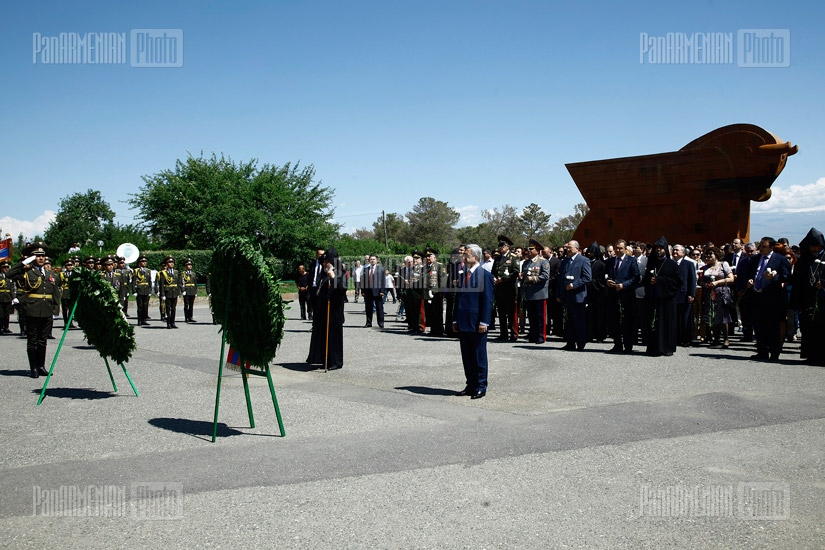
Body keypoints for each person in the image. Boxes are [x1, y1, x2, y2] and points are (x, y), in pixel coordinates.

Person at [7, 242, 61, 378]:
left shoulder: (51, 273)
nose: (41, 258)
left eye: (43, 255)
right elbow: (9, 274)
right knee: (33, 340)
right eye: (37, 256)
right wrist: (24, 263)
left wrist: (55, 310)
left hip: (47, 310)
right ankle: (33, 368)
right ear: (32, 257)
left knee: (43, 340)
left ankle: (41, 366)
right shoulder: (27, 272)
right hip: (32, 310)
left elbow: (55, 294)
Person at [452, 244, 494, 399]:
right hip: (463, 321)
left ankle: (481, 386)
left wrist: (484, 322)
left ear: (476, 257)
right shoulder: (464, 275)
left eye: (467, 255)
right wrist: (455, 319)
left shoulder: (485, 275)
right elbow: (459, 299)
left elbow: (487, 301)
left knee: (479, 356)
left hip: (477, 322)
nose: (464, 257)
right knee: (467, 356)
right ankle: (470, 384)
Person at [745, 237, 791, 361]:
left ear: (771, 247)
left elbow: (787, 277)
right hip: (757, 295)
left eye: (764, 246)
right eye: (760, 246)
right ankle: (762, 351)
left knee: (772, 326)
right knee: (759, 325)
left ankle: (774, 352)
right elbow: (749, 274)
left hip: (772, 298)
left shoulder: (780, 259)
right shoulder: (755, 259)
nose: (761, 248)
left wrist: (774, 278)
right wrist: (749, 281)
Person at [306, 247, 347, 370]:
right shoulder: (323, 273)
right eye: (323, 262)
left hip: (334, 310)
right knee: (323, 335)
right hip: (323, 310)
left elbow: (342, 288)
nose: (324, 263)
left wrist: (334, 277)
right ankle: (324, 358)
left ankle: (335, 361)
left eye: (326, 261)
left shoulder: (340, 272)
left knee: (334, 336)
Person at [790, 227, 825, 365]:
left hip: (822, 301)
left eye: (816, 245)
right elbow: (796, 283)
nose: (814, 248)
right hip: (806, 301)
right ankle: (811, 355)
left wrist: (823, 284)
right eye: (811, 246)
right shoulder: (803, 262)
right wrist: (795, 303)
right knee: (808, 328)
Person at [642, 237, 682, 357]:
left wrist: (660, 280)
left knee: (667, 323)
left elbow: (677, 282)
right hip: (653, 298)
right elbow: (646, 280)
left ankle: (667, 347)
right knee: (654, 323)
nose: (659, 250)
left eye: (661, 248)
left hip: (667, 300)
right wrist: (650, 282)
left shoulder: (672, 264)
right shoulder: (651, 263)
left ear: (665, 250)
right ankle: (653, 348)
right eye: (657, 248)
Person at [606, 239, 640, 353]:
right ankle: (617, 344)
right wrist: (607, 281)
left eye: (620, 248)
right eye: (616, 248)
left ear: (625, 249)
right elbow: (605, 275)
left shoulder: (631, 260)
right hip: (613, 295)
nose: (617, 250)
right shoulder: (610, 261)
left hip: (626, 296)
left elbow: (636, 277)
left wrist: (624, 285)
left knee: (627, 322)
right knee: (614, 320)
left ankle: (628, 345)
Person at [557, 240, 592, 351]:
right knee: (568, 321)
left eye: (570, 247)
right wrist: (559, 293)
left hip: (578, 296)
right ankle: (570, 342)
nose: (568, 249)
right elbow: (560, 279)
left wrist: (574, 285)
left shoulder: (584, 260)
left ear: (577, 249)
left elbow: (587, 277)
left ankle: (580, 343)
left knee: (579, 321)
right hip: (567, 296)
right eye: (567, 247)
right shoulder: (564, 261)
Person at [698, 247, 734, 348]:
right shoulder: (705, 267)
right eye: (707, 255)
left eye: (711, 254)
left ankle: (726, 338)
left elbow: (731, 279)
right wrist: (704, 284)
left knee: (723, 316)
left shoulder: (723, 264)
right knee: (712, 316)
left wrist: (717, 282)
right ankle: (715, 338)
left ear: (716, 255)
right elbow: (700, 281)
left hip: (721, 293)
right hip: (709, 294)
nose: (709, 256)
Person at [521, 239, 550, 344]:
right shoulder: (526, 262)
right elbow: (524, 275)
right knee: (532, 316)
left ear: (537, 250)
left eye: (531, 249)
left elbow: (546, 276)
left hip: (539, 293)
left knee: (540, 317)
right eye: (528, 249)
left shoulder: (543, 262)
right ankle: (533, 335)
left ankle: (541, 336)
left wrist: (533, 279)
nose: (528, 251)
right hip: (529, 293)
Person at [493, 235, 519, 342]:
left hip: (509, 289)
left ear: (507, 247)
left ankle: (513, 334)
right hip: (499, 290)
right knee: (502, 313)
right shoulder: (498, 258)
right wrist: (494, 278)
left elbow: (515, 272)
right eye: (499, 246)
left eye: (502, 246)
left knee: (511, 313)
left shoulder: (513, 257)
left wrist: (503, 279)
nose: (500, 248)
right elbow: (494, 271)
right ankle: (503, 334)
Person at [672, 244, 697, 347]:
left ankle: (687, 339)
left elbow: (692, 280)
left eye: (677, 250)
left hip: (684, 294)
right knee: (675, 318)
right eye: (673, 250)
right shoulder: (670, 263)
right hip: (672, 295)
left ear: (683, 253)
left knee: (685, 318)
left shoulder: (688, 264)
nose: (675, 252)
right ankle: (676, 338)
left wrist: (691, 294)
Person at [584, 241, 607, 343]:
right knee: (588, 314)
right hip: (587, 292)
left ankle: (599, 335)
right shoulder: (585, 262)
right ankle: (589, 334)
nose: (589, 254)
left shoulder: (601, 264)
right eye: (589, 252)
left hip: (598, 293)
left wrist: (592, 282)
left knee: (599, 315)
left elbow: (602, 280)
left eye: (592, 252)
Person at [423, 248, 446, 336]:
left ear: (435, 257)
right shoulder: (425, 267)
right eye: (427, 256)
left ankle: (439, 330)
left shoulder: (439, 266)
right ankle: (433, 330)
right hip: (427, 293)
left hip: (436, 294)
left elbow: (442, 280)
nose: (428, 258)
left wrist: (441, 292)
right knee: (430, 312)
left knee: (437, 312)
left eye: (430, 256)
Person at [361, 254, 386, 329]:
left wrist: (382, 291)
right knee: (368, 308)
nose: (372, 260)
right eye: (371, 259)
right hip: (368, 291)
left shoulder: (381, 269)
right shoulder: (366, 269)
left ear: (377, 260)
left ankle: (380, 323)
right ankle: (368, 322)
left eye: (373, 259)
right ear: (369, 260)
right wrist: (363, 290)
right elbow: (363, 281)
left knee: (379, 308)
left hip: (378, 291)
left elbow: (383, 281)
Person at [158, 256, 182, 329]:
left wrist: (178, 293)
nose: (171, 264)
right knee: (168, 309)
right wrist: (162, 294)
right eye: (169, 262)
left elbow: (178, 283)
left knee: (174, 308)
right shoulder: (163, 273)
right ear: (166, 263)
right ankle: (168, 323)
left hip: (174, 292)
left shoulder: (176, 272)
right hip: (167, 292)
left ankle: (173, 322)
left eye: (172, 262)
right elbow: (161, 284)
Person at [132, 255, 153, 325]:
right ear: (139, 263)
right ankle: (140, 320)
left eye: (145, 261)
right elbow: (134, 281)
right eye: (142, 261)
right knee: (140, 306)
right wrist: (134, 291)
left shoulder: (148, 271)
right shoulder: (136, 271)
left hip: (146, 290)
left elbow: (149, 281)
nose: (144, 263)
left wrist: (150, 290)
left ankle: (144, 319)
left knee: (145, 306)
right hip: (139, 290)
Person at [0, 259, 16, 334]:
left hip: (8, 297)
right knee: (1, 313)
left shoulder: (10, 277)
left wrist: (14, 297)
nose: (6, 269)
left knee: (7, 314)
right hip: (1, 297)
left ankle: (6, 327)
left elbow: (12, 288)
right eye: (4, 267)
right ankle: (0, 328)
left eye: (7, 267)